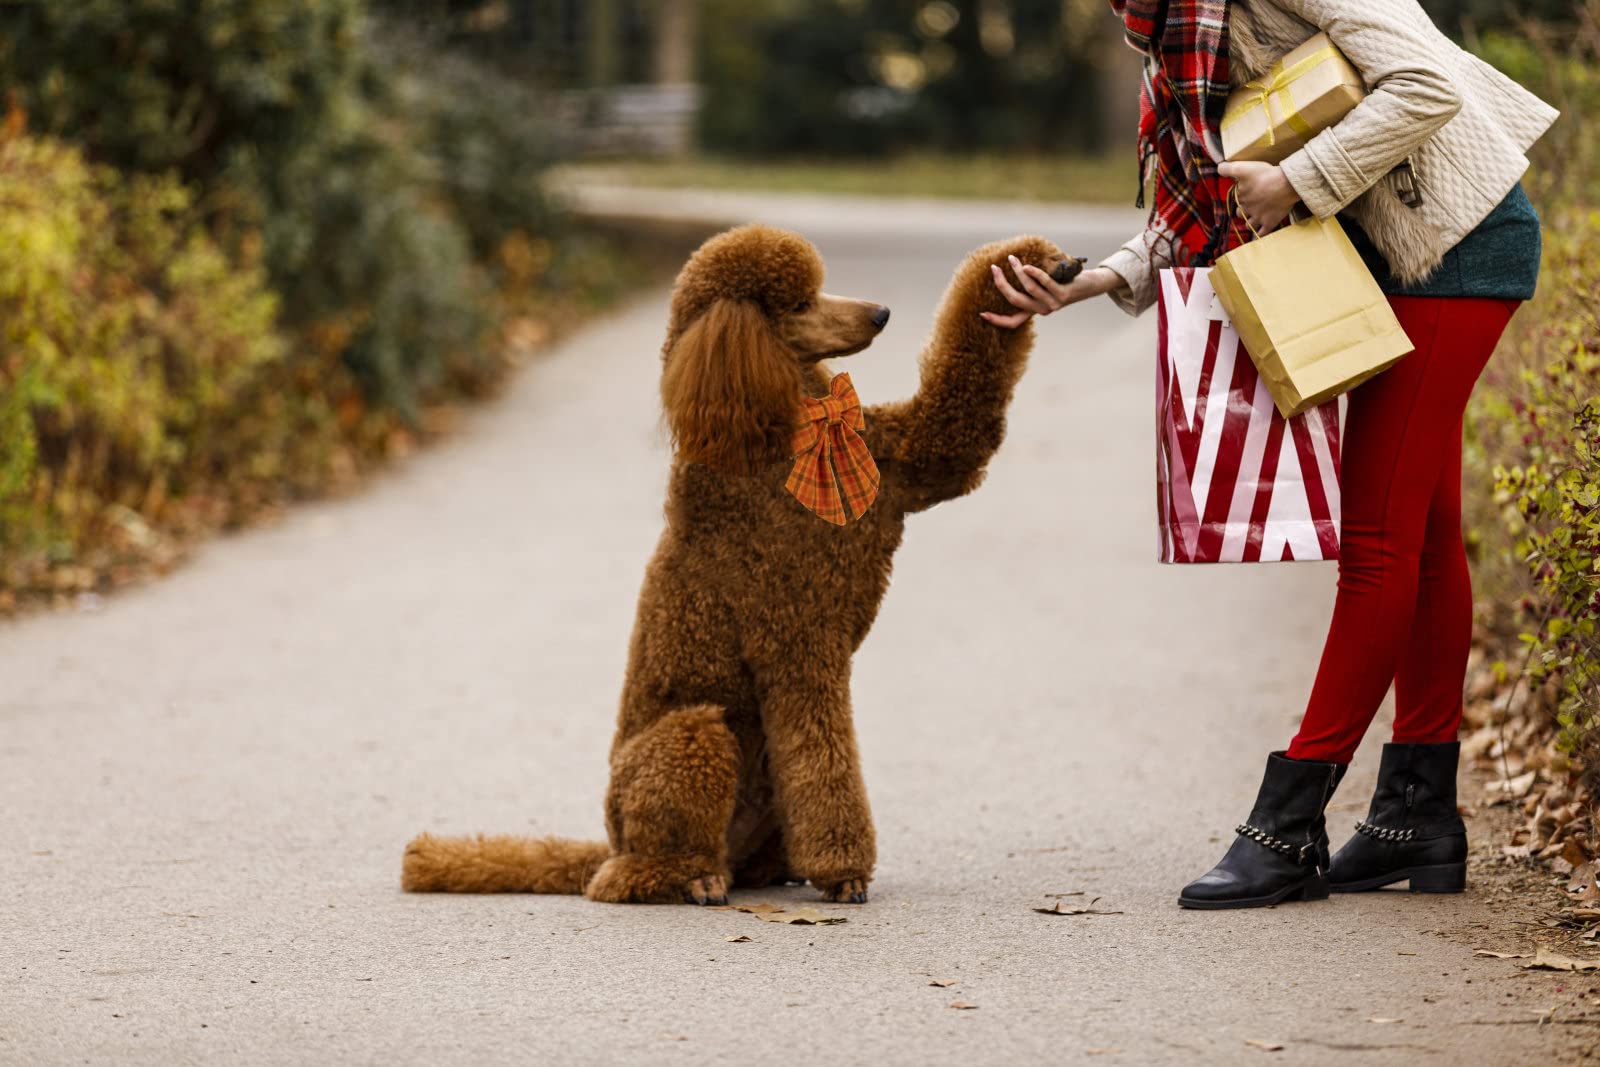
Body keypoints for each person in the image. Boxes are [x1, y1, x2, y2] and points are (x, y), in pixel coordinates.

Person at [987, 0, 1558, 909]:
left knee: (1375, 544)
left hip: (1456, 246)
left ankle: (1288, 824)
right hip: (1393, 259)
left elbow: (1426, 83)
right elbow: (1213, 191)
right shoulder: (1169, 25)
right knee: (1424, 534)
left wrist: (1298, 179)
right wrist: (1108, 275)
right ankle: (1419, 814)